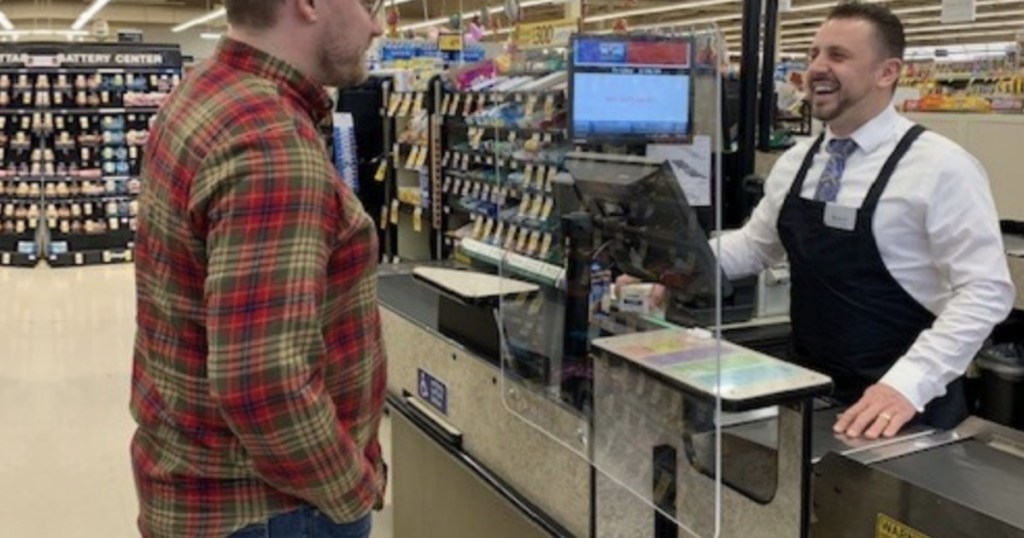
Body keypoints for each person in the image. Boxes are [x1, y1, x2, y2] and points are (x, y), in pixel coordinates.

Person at [130, 1, 386, 536]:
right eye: (370, 3)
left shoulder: (205, 91)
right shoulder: (270, 144)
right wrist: (353, 488)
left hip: (197, 483)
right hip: (275, 510)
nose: (378, 25)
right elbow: (265, 384)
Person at [716, 2, 1014, 439]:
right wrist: (681, 261)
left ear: (887, 72)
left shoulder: (941, 167)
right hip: (810, 391)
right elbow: (756, 246)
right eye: (814, 54)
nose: (817, 67)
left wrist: (905, 385)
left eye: (837, 56)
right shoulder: (798, 160)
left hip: (902, 409)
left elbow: (986, 291)